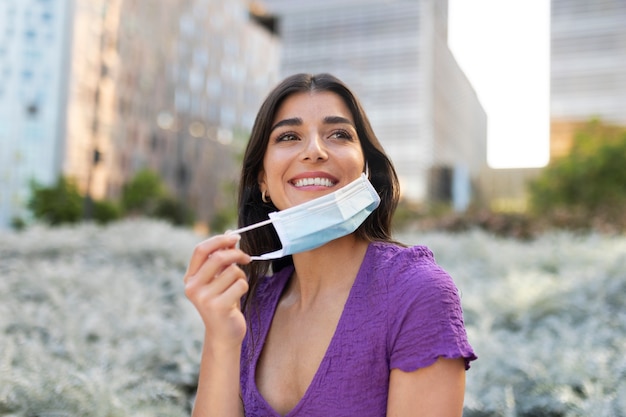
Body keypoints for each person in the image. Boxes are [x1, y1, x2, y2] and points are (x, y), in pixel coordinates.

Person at [183, 73, 476, 417]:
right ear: (262, 180)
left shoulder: (417, 292)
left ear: (366, 169)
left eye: (339, 134)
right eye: (289, 136)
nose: (314, 151)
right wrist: (222, 338)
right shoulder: (247, 306)